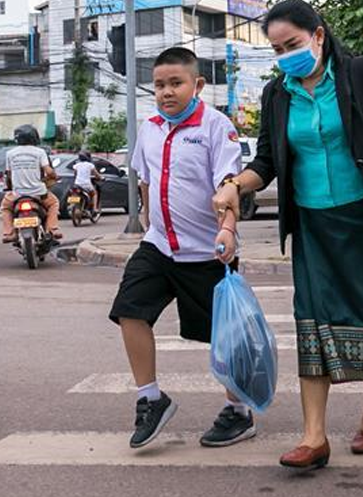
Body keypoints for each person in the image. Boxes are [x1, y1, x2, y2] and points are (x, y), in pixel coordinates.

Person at [213, 0, 363, 469]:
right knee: (311, 321)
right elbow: (266, 163)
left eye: (292, 44)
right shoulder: (277, 95)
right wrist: (234, 185)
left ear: (318, 35)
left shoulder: (358, 74)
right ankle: (314, 437)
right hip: (312, 225)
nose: (286, 55)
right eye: (276, 49)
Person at [109, 47, 247, 450]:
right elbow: (146, 180)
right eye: (159, 85)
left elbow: (229, 186)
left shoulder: (216, 126)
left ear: (197, 85)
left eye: (175, 83)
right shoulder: (150, 128)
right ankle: (150, 398)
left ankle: (239, 411)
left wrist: (228, 229)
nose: (166, 92)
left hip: (208, 250)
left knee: (223, 339)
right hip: (159, 248)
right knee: (129, 311)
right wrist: (149, 222)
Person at [0, 125, 62, 242]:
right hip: (39, 193)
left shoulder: (10, 153)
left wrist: (9, 186)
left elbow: (9, 174)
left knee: (5, 208)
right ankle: (52, 229)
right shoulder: (40, 152)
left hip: (17, 194)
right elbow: (48, 171)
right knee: (53, 204)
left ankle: (9, 233)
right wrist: (54, 176)